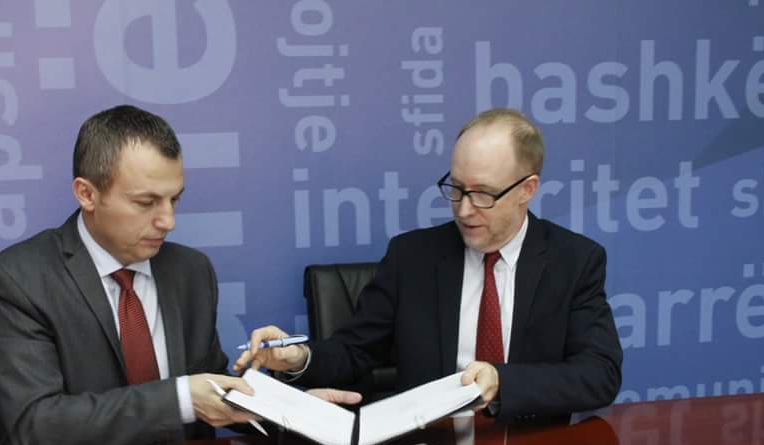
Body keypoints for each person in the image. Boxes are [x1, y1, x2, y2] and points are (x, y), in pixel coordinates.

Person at [236, 108, 622, 423]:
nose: (464, 209)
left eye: (482, 194)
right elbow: (354, 352)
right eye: (457, 188)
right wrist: (298, 358)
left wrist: (502, 381)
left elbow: (599, 374)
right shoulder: (412, 257)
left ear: (527, 189)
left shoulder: (574, 260)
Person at [0, 105, 260, 445]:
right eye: (146, 202)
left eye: (174, 199)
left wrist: (296, 407)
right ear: (87, 194)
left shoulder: (191, 271)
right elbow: (36, 425)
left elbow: (211, 388)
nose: (168, 221)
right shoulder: (17, 280)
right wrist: (181, 400)